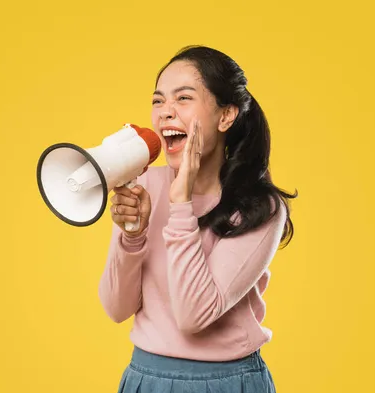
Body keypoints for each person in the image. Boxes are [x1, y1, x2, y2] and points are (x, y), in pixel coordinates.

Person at [98, 45, 297, 393]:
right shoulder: (144, 185)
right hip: (146, 378)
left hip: (228, 382)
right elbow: (117, 308)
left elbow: (193, 316)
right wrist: (132, 236)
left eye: (183, 98)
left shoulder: (258, 207)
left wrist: (181, 205)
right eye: (158, 101)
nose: (165, 113)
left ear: (225, 116)